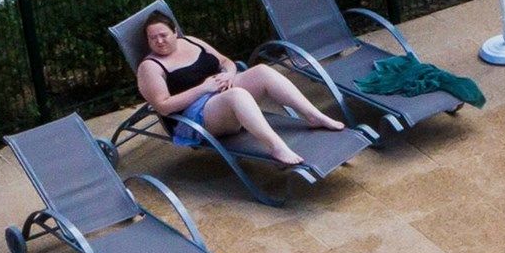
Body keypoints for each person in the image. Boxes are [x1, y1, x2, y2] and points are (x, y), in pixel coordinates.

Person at [131, 11, 354, 171]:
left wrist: (229, 73)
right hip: (196, 117)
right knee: (237, 95)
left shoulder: (191, 41)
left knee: (262, 71)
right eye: (153, 38)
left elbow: (226, 61)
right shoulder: (150, 67)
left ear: (175, 32)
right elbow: (163, 106)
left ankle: (314, 116)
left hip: (221, 93)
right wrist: (203, 89)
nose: (159, 41)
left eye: (164, 35)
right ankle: (276, 147)